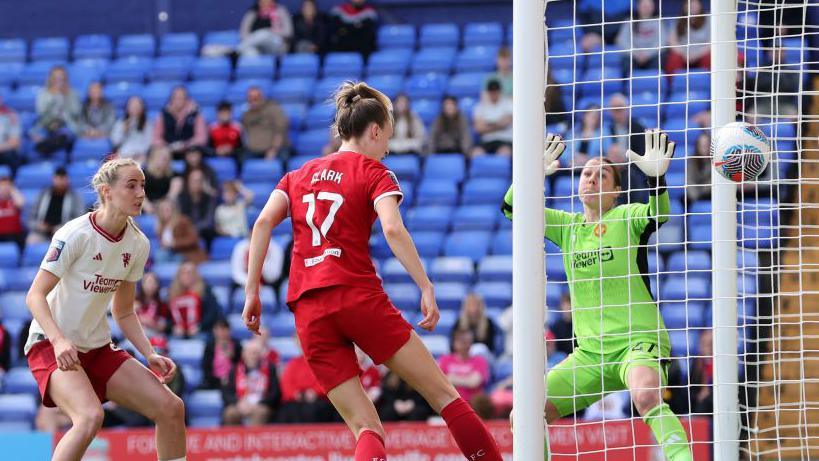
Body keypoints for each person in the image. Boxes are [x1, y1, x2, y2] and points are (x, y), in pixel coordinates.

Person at [242, 82, 503, 460]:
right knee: (444, 395)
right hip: (356, 296)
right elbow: (393, 229)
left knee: (366, 427)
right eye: (388, 139)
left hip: (308, 309)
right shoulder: (374, 172)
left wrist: (252, 291)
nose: (387, 148)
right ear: (375, 130)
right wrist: (425, 285)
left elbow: (262, 223)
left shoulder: (297, 175)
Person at [503, 131, 693, 461]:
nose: (591, 179)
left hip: (636, 341)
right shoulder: (567, 227)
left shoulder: (626, 217)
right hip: (590, 354)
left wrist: (657, 179)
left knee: (646, 394)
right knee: (524, 413)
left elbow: (659, 214)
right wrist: (528, 175)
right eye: (586, 173)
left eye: (601, 174)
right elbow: (510, 209)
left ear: (616, 191)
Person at [24, 158, 186, 461]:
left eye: (143, 186)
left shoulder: (138, 244)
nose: (140, 193)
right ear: (106, 191)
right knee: (89, 418)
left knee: (171, 408)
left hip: (97, 348)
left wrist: (149, 353)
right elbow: (35, 296)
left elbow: (124, 311)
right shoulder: (75, 234)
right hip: (50, 344)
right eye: (131, 185)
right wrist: (59, 341)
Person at [222, 339, 281, 425]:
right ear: (243, 354)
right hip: (241, 403)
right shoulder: (235, 369)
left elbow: (275, 393)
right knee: (230, 413)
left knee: (260, 413)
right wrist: (238, 403)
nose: (253, 356)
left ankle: (253, 438)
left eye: (256, 353)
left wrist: (258, 404)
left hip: (261, 404)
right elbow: (226, 393)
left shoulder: (270, 368)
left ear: (261, 355)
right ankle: (235, 438)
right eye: (250, 353)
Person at [276, 338, 336, 423]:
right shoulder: (293, 363)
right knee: (287, 411)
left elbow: (327, 381)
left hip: (318, 400)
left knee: (314, 410)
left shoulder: (322, 362)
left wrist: (315, 392)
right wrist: (295, 394)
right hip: (297, 400)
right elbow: (287, 384)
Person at [605, 93, 649, 203]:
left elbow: (643, 156)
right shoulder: (606, 130)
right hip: (612, 169)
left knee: (630, 177)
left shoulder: (639, 129)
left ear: (627, 109)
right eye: (615, 110)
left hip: (633, 170)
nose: (618, 113)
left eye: (620, 109)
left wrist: (624, 160)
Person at [26, 167, 86, 245]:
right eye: (58, 179)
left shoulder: (74, 197)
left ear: (67, 180)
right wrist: (38, 225)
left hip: (64, 233)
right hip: (41, 232)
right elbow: (31, 217)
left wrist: (63, 227)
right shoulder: (43, 194)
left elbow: (79, 218)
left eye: (63, 179)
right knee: (31, 240)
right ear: (53, 179)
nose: (61, 182)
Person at [30, 66, 80, 156]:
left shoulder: (72, 93)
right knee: (35, 135)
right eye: (56, 77)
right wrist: (53, 96)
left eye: (61, 78)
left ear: (65, 79)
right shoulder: (43, 94)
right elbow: (40, 112)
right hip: (47, 126)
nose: (58, 80)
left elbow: (76, 112)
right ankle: (49, 145)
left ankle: (44, 146)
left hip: (65, 126)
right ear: (51, 79)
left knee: (66, 135)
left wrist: (66, 97)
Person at [167, 262, 221, 338]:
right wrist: (172, 327)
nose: (186, 276)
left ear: (196, 275)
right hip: (178, 332)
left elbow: (212, 313)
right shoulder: (171, 293)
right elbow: (167, 316)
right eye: (183, 273)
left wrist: (200, 327)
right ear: (178, 276)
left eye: (189, 273)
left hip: (201, 330)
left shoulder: (205, 291)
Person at [152, 87, 208, 159]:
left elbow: (201, 138)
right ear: (171, 99)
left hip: (189, 150)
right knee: (155, 152)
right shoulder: (163, 114)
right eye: (176, 98)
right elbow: (156, 138)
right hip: (167, 151)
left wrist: (185, 145)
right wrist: (168, 146)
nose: (178, 100)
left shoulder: (196, 114)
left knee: (195, 152)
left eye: (182, 97)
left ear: (187, 99)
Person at [438, 328, 490, 404]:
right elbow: (440, 382)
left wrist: (452, 378)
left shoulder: (479, 360)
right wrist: (467, 379)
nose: (466, 345)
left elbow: (474, 382)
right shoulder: (445, 360)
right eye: (462, 341)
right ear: (454, 342)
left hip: (473, 403)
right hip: (449, 401)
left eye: (468, 341)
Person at [241, 86, 289, 160]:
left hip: (275, 149)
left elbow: (280, 131)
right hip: (253, 151)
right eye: (250, 99)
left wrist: (273, 149)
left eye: (256, 98)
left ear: (262, 97)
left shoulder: (273, 109)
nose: (253, 101)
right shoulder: (247, 114)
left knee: (283, 158)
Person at [155, 199, 208, 264]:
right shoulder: (160, 226)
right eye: (162, 210)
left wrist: (174, 243)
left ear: (173, 210)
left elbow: (193, 239)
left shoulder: (182, 221)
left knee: (177, 258)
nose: (165, 212)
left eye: (167, 210)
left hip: (185, 252)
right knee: (159, 255)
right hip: (170, 252)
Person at [665, 0, 711, 74]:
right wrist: (684, 54)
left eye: (694, 3)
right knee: (673, 59)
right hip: (683, 55)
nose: (692, 6)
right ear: (684, 6)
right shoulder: (678, 21)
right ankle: (673, 84)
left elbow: (711, 43)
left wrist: (696, 54)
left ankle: (710, 83)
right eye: (689, 3)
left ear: (700, 5)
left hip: (702, 54)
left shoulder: (709, 19)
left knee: (709, 58)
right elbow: (672, 41)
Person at [615, 0, 662, 70]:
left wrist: (647, 54)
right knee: (625, 61)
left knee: (660, 59)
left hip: (652, 57)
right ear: (638, 6)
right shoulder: (629, 21)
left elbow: (662, 42)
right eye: (644, 6)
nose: (646, 8)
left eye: (649, 6)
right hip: (633, 56)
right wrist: (636, 54)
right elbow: (622, 41)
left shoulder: (658, 22)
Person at [471, 79, 513, 156]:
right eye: (491, 91)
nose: (493, 93)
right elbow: (479, 128)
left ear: (499, 91)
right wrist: (499, 124)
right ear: (488, 92)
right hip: (486, 140)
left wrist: (488, 125)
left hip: (504, 139)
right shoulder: (480, 106)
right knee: (476, 153)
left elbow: (507, 121)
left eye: (495, 91)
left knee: (505, 153)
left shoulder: (508, 103)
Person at [176, 168, 218, 244]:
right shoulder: (181, 198)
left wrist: (194, 229)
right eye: (194, 181)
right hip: (184, 231)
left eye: (199, 181)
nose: (197, 184)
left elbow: (209, 220)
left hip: (203, 232)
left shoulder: (209, 199)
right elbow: (178, 217)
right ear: (188, 182)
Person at [201, 319, 243, 389]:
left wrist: (233, 357)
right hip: (214, 382)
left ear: (229, 330)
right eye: (217, 329)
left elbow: (242, 365)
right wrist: (220, 380)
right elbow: (206, 369)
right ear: (214, 331)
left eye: (223, 329)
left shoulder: (237, 345)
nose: (221, 332)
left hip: (234, 381)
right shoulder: (209, 347)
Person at [111, 96, 153, 162]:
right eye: (132, 105)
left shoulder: (147, 124)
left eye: (138, 105)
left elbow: (148, 143)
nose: (135, 107)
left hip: (140, 156)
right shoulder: (120, 123)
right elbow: (115, 142)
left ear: (142, 107)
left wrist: (138, 154)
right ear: (127, 107)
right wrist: (123, 131)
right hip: (123, 155)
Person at [142, 146, 181, 213]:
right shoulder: (142, 174)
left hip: (166, 209)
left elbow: (171, 196)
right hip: (145, 207)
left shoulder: (175, 176)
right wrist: (148, 207)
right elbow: (138, 193)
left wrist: (161, 206)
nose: (163, 161)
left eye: (166, 158)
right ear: (153, 158)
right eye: (160, 158)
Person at [134, 272, 170, 336]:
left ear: (157, 285)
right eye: (148, 282)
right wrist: (140, 319)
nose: (150, 285)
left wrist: (151, 323)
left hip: (153, 335)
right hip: (136, 335)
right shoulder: (134, 302)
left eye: (153, 282)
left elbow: (162, 327)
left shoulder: (161, 305)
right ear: (142, 284)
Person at [688, 329, 713, 415]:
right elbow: (691, 390)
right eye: (704, 344)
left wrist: (708, 395)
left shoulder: (721, 365)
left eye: (710, 344)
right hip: (698, 406)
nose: (707, 348)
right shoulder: (696, 364)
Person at [0, 174, 25, 250]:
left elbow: (21, 204)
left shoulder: (15, 200)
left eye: (8, 185)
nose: (5, 187)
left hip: (14, 235)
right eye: (2, 185)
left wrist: (13, 190)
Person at [686, 132, 712, 203]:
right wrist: (696, 196)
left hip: (710, 193)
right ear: (697, 146)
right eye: (702, 145)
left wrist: (703, 191)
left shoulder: (715, 161)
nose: (705, 148)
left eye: (707, 145)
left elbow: (713, 182)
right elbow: (689, 181)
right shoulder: (691, 161)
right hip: (695, 194)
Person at [0, 94, 21, 173]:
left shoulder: (11, 116)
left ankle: (12, 181)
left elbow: (15, 142)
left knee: (12, 156)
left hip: (5, 152)